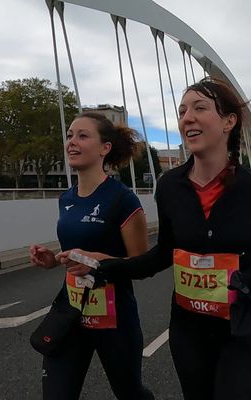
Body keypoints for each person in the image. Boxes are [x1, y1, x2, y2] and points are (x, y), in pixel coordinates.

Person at [60, 78, 251, 400]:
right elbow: (163, 254)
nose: (187, 117)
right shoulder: (170, 185)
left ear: (229, 121)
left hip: (243, 325)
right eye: (182, 111)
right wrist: (103, 266)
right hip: (189, 330)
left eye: (200, 108)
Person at [29, 112, 154, 400]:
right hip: (71, 311)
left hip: (114, 318)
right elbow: (75, 254)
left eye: (83, 136)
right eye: (70, 135)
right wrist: (51, 261)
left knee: (130, 393)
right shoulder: (66, 199)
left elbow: (142, 265)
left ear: (104, 148)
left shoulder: (123, 199)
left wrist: (100, 262)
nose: (72, 142)